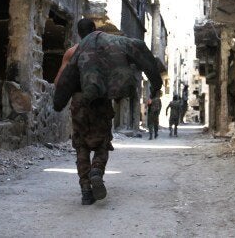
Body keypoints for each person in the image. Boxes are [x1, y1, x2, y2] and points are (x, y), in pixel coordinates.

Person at [54, 18, 162, 205]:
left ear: (79, 34)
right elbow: (139, 48)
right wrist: (156, 84)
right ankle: (97, 171)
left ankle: (86, 190)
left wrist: (59, 103)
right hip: (101, 103)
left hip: (79, 103)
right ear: (95, 29)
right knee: (102, 143)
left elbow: (60, 82)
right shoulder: (111, 45)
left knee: (81, 146)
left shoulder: (73, 52)